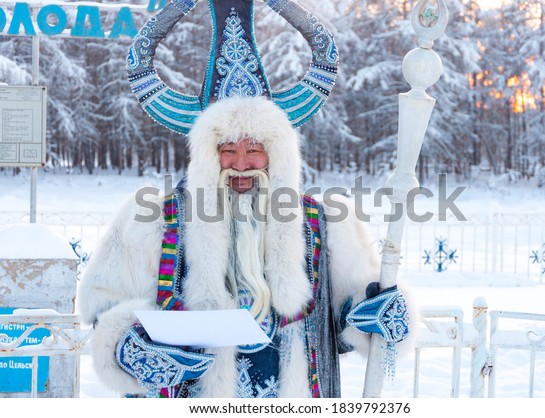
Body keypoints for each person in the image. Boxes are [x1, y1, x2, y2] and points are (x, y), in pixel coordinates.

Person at [78, 96, 415, 398]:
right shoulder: (154, 219)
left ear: (276, 155)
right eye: (228, 150)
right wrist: (133, 346)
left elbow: (351, 322)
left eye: (254, 149)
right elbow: (104, 313)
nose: (240, 165)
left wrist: (381, 314)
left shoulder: (325, 223)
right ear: (209, 156)